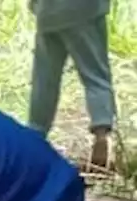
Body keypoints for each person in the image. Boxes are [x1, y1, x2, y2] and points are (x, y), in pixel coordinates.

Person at [28, 0, 116, 169]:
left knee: (44, 80)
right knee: (96, 75)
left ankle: (35, 135)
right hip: (86, 10)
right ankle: (101, 132)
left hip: (48, 11)